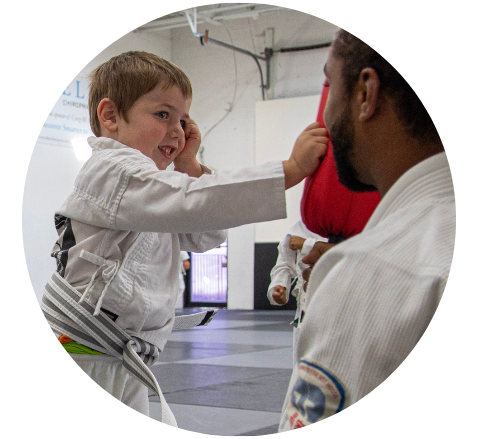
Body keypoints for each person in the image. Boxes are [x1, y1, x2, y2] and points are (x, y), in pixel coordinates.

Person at [39, 51, 329, 426]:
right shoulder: (112, 170)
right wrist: (289, 171)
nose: (177, 130)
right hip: (87, 355)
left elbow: (205, 233)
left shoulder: (150, 190)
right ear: (110, 116)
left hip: (116, 356)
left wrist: (190, 165)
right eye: (163, 115)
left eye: (183, 120)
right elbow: (194, 203)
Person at [279, 29, 458, 431]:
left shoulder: (375, 270)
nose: (325, 116)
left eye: (330, 84)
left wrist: (350, 275)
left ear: (365, 94)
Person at [267, 220, 330, 368]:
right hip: (304, 304)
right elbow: (283, 263)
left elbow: (345, 251)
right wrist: (280, 285)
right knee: (302, 362)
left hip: (334, 298)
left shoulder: (349, 222)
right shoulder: (300, 227)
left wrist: (307, 244)